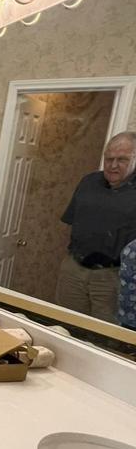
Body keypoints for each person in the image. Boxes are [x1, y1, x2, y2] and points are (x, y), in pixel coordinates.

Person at [56, 131, 136, 322]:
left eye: (122, 159)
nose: (113, 165)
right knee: (64, 323)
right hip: (74, 268)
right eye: (109, 159)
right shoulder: (89, 182)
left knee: (104, 331)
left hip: (113, 277)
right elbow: (71, 223)